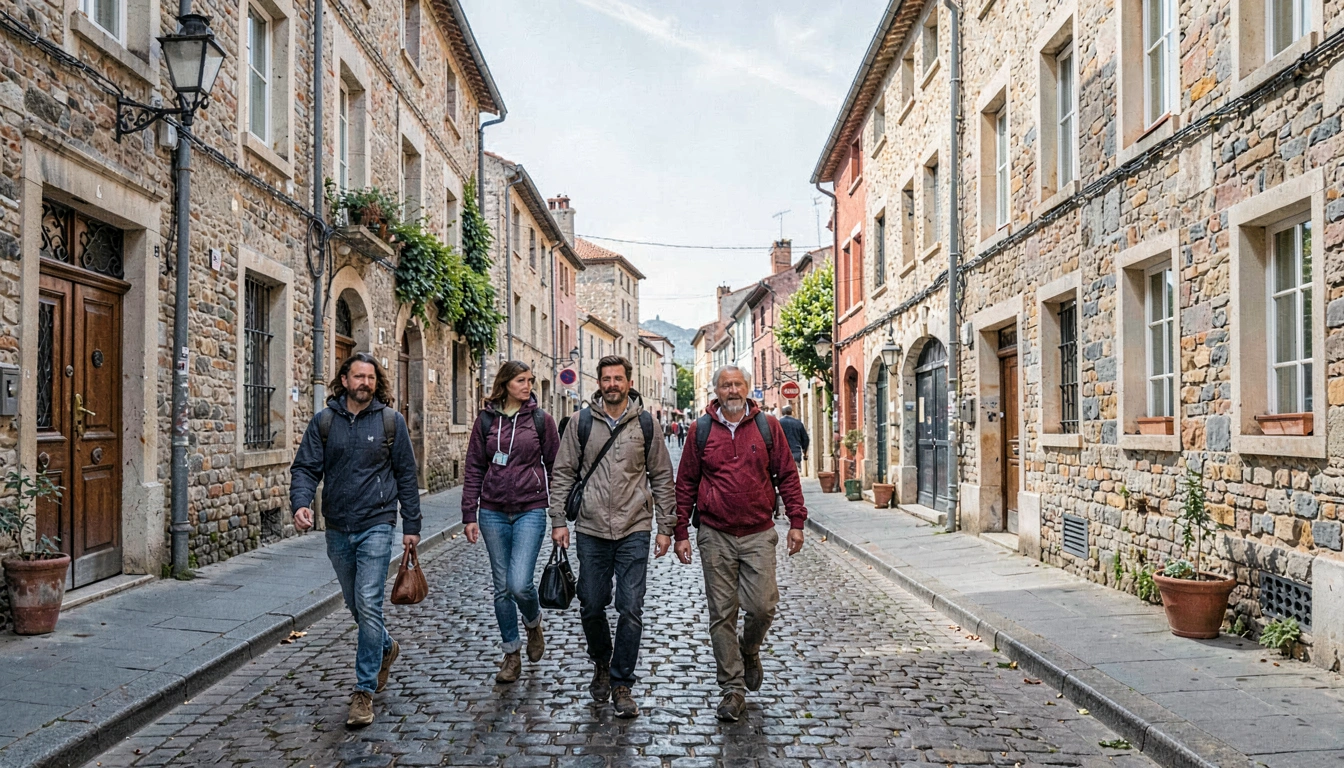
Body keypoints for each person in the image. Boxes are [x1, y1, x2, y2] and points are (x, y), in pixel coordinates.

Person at [290, 352, 422, 729]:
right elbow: (305, 467)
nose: (365, 383)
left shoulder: (390, 423)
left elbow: (407, 476)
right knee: (356, 605)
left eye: (370, 377)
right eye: (358, 376)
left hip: (377, 524)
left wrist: (411, 526)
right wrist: (301, 503)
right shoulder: (325, 422)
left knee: (367, 601)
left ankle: (363, 691)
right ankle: (386, 647)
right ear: (344, 380)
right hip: (337, 526)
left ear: (376, 382)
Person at [674, 364, 807, 723]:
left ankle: (749, 650)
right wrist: (681, 532)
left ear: (747, 388)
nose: (732, 390)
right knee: (722, 614)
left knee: (763, 606)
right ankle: (732, 689)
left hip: (758, 532)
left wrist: (797, 521)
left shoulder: (768, 427)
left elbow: (787, 476)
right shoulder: (699, 430)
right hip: (715, 534)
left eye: (737, 384)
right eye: (725, 385)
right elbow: (685, 482)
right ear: (714, 391)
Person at [550, 356, 677, 719]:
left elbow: (662, 476)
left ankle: (622, 682)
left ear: (628, 381)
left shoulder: (646, 425)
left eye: (618, 378)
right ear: (599, 382)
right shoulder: (581, 423)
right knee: (590, 603)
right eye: (606, 379)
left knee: (630, 606)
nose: (612, 384)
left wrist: (666, 526)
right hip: (590, 528)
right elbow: (562, 472)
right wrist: (559, 519)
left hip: (634, 526)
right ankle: (601, 662)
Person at [461, 361, 560, 684]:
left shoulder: (541, 421)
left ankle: (533, 623)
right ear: (505, 384)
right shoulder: (486, 420)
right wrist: (469, 514)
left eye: (530, 380)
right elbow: (475, 466)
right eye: (521, 380)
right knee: (502, 588)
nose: (528, 385)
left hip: (530, 509)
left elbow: (556, 467)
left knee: (520, 583)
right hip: (492, 511)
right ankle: (511, 653)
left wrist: (558, 515)